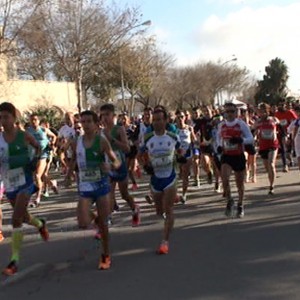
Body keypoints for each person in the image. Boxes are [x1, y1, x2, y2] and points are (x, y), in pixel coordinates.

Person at [66, 110, 120, 270]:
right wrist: (68, 175)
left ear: (97, 124)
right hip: (85, 186)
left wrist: (110, 166)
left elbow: (116, 162)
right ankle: (98, 221)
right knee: (83, 222)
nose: (86, 125)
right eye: (83, 122)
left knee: (103, 224)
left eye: (89, 121)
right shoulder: (77, 142)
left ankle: (106, 254)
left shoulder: (102, 141)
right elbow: (74, 159)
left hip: (101, 185)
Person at [0, 102, 49, 276]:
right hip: (9, 183)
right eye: (0, 117)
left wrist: (34, 162)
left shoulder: (24, 135)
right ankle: (40, 223)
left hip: (25, 182)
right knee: (24, 216)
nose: (3, 120)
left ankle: (14, 260)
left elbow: (39, 147)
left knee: (16, 219)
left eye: (6, 117)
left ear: (14, 117)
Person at [140, 108, 182, 254]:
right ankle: (165, 217)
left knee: (169, 209)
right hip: (155, 179)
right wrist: (145, 165)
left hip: (169, 178)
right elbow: (140, 154)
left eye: (159, 119)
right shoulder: (147, 138)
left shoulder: (173, 136)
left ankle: (165, 242)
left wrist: (179, 159)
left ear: (165, 121)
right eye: (155, 120)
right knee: (159, 210)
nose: (157, 122)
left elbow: (180, 151)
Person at [100, 104, 140, 226]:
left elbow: (127, 148)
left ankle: (135, 208)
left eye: (107, 114)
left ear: (113, 116)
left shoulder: (119, 129)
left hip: (120, 165)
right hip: (109, 166)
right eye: (102, 115)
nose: (105, 118)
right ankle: (108, 217)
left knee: (124, 194)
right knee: (109, 192)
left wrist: (112, 140)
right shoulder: (101, 132)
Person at [217, 102, 253, 218]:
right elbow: (218, 138)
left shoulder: (241, 124)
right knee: (225, 179)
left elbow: (250, 138)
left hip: (238, 155)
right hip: (227, 155)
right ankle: (229, 200)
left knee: (239, 184)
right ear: (224, 113)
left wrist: (240, 140)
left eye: (232, 111)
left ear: (236, 112)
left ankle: (240, 205)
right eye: (227, 111)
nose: (230, 114)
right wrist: (218, 146)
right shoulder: (221, 125)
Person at [27, 114, 58, 206]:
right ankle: (52, 183)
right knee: (41, 176)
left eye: (35, 120)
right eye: (32, 120)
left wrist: (52, 143)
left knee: (37, 175)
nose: (33, 121)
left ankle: (37, 198)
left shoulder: (43, 129)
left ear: (38, 121)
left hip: (43, 155)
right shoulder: (28, 131)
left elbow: (54, 136)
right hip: (32, 156)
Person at [254, 103, 281, 195]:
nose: (262, 113)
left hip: (273, 145)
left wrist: (284, 136)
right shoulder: (258, 121)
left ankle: (271, 186)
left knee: (271, 164)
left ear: (268, 111)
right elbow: (254, 131)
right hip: (263, 146)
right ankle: (271, 179)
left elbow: (281, 128)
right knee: (267, 167)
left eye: (264, 111)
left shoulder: (274, 119)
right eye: (260, 111)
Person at [175, 110, 196, 203]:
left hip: (187, 153)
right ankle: (174, 193)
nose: (180, 119)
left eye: (182, 117)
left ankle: (184, 194)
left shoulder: (189, 128)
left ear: (185, 118)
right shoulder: (173, 129)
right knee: (176, 175)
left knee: (185, 174)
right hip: (176, 154)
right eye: (178, 117)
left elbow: (194, 140)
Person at [275, 99, 297, 172]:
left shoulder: (290, 112)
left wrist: (292, 131)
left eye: (283, 105)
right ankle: (285, 165)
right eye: (280, 105)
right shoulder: (276, 114)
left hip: (290, 133)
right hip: (281, 133)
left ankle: (290, 160)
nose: (281, 107)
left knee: (288, 150)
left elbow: (296, 121)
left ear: (285, 105)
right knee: (283, 149)